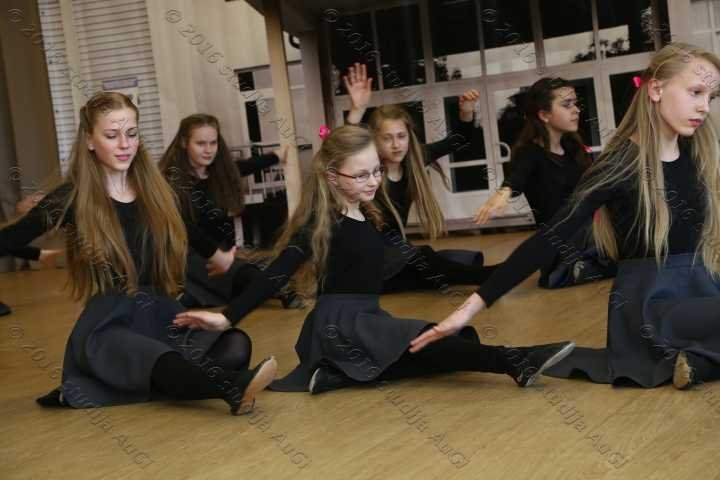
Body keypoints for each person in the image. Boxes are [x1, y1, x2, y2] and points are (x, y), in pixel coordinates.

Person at [173, 124, 575, 395]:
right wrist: (227, 318)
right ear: (333, 177)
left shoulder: (368, 212)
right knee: (430, 339)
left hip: (368, 318)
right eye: (361, 175)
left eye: (376, 172)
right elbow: (275, 274)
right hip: (338, 325)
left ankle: (334, 376)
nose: (373, 181)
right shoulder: (320, 223)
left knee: (439, 344)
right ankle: (515, 360)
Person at [411, 43, 720, 391]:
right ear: (656, 89)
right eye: (696, 92)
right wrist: (466, 311)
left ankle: (699, 361)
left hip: (701, 291)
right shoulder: (619, 165)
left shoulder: (699, 155)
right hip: (652, 307)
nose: (704, 106)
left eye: (711, 97)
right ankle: (696, 357)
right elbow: (548, 239)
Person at [0, 92, 276, 414]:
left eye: (131, 134)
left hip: (160, 311)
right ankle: (231, 388)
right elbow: (11, 237)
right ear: (89, 140)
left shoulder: (154, 189)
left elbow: (186, 226)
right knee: (159, 359)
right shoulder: (72, 197)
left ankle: (121, 386)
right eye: (111, 136)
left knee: (235, 346)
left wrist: (219, 256)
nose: (124, 145)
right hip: (111, 322)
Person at [344, 63, 497, 292]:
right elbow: (342, 151)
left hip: (399, 255)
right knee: (424, 259)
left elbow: (457, 141)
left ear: (409, 136)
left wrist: (466, 112)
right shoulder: (365, 169)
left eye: (401, 136)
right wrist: (356, 111)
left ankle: (460, 273)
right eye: (387, 138)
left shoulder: (414, 159)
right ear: (374, 139)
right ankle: (490, 277)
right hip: (369, 263)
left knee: (462, 259)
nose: (396, 145)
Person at [475, 77, 616, 288]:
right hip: (560, 247)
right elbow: (517, 177)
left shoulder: (573, 149)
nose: (576, 110)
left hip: (590, 235)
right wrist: (505, 190)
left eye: (575, 103)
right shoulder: (530, 153)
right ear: (544, 115)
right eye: (567, 105)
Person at [159, 113, 303, 309]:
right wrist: (216, 256)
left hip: (220, 253)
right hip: (190, 257)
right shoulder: (171, 179)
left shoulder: (218, 172)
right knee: (244, 274)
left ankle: (206, 292)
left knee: (264, 263)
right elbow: (185, 228)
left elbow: (244, 167)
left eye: (213, 143)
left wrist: (276, 156)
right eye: (201, 144)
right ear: (184, 143)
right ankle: (278, 290)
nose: (208, 150)